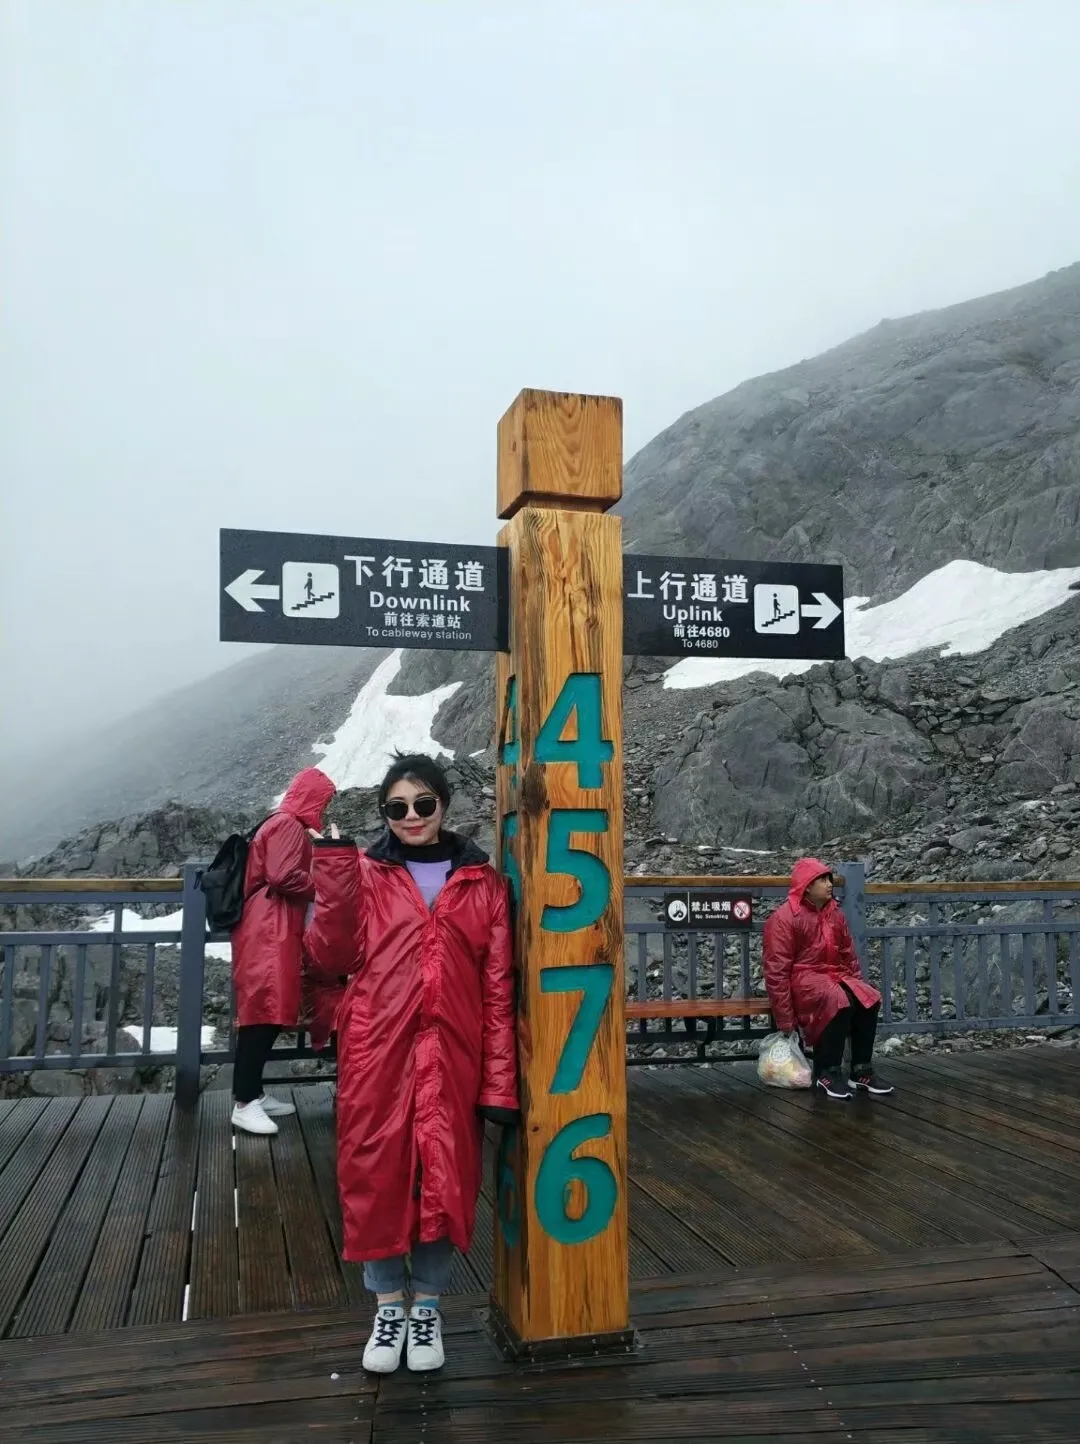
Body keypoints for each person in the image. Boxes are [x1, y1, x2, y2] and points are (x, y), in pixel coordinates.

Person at [304, 753, 518, 1375]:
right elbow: (329, 956)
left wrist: (499, 1083)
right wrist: (335, 871)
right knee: (375, 1176)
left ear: (443, 805)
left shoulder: (483, 884)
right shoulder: (363, 874)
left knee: (442, 1179)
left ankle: (427, 1307)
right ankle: (387, 1307)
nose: (411, 816)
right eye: (396, 807)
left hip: (453, 1055)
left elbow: (497, 988)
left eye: (423, 803)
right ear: (384, 814)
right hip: (378, 1052)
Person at [229, 766, 336, 1135]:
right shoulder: (288, 825)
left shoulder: (279, 822)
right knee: (263, 1013)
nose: (324, 808)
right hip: (269, 929)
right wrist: (324, 885)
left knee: (268, 1010)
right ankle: (244, 1103)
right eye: (324, 801)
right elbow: (282, 875)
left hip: (267, 926)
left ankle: (254, 1093)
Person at [762, 857, 893, 1100]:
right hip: (804, 979)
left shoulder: (835, 915)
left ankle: (861, 1070)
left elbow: (849, 956)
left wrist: (858, 988)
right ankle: (827, 1071)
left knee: (869, 999)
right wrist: (785, 1019)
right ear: (806, 886)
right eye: (822, 879)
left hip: (834, 976)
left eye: (829, 879)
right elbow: (776, 970)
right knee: (838, 1000)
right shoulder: (784, 918)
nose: (829, 884)